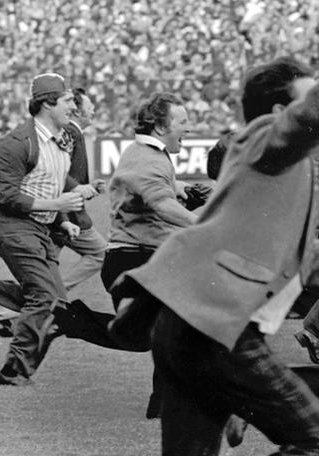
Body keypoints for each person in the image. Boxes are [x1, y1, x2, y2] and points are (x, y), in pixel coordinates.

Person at [127, 56, 319, 454]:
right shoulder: (261, 138)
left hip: (192, 327)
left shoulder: (289, 169)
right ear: (280, 112)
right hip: (211, 331)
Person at [0, 86, 107, 335]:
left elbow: (57, 179)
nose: (88, 111)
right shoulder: (63, 134)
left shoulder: (56, 133)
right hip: (51, 217)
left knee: (48, 291)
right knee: (54, 292)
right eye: (85, 106)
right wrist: (68, 211)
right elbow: (57, 181)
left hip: (53, 217)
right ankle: (8, 316)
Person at [0, 72, 87, 387]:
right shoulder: (15, 143)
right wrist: (57, 206)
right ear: (47, 103)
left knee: (58, 305)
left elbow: (46, 186)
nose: (74, 106)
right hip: (12, 228)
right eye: (68, 100)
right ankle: (13, 370)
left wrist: (62, 219)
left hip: (37, 229)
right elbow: (4, 194)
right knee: (44, 297)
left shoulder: (62, 140)